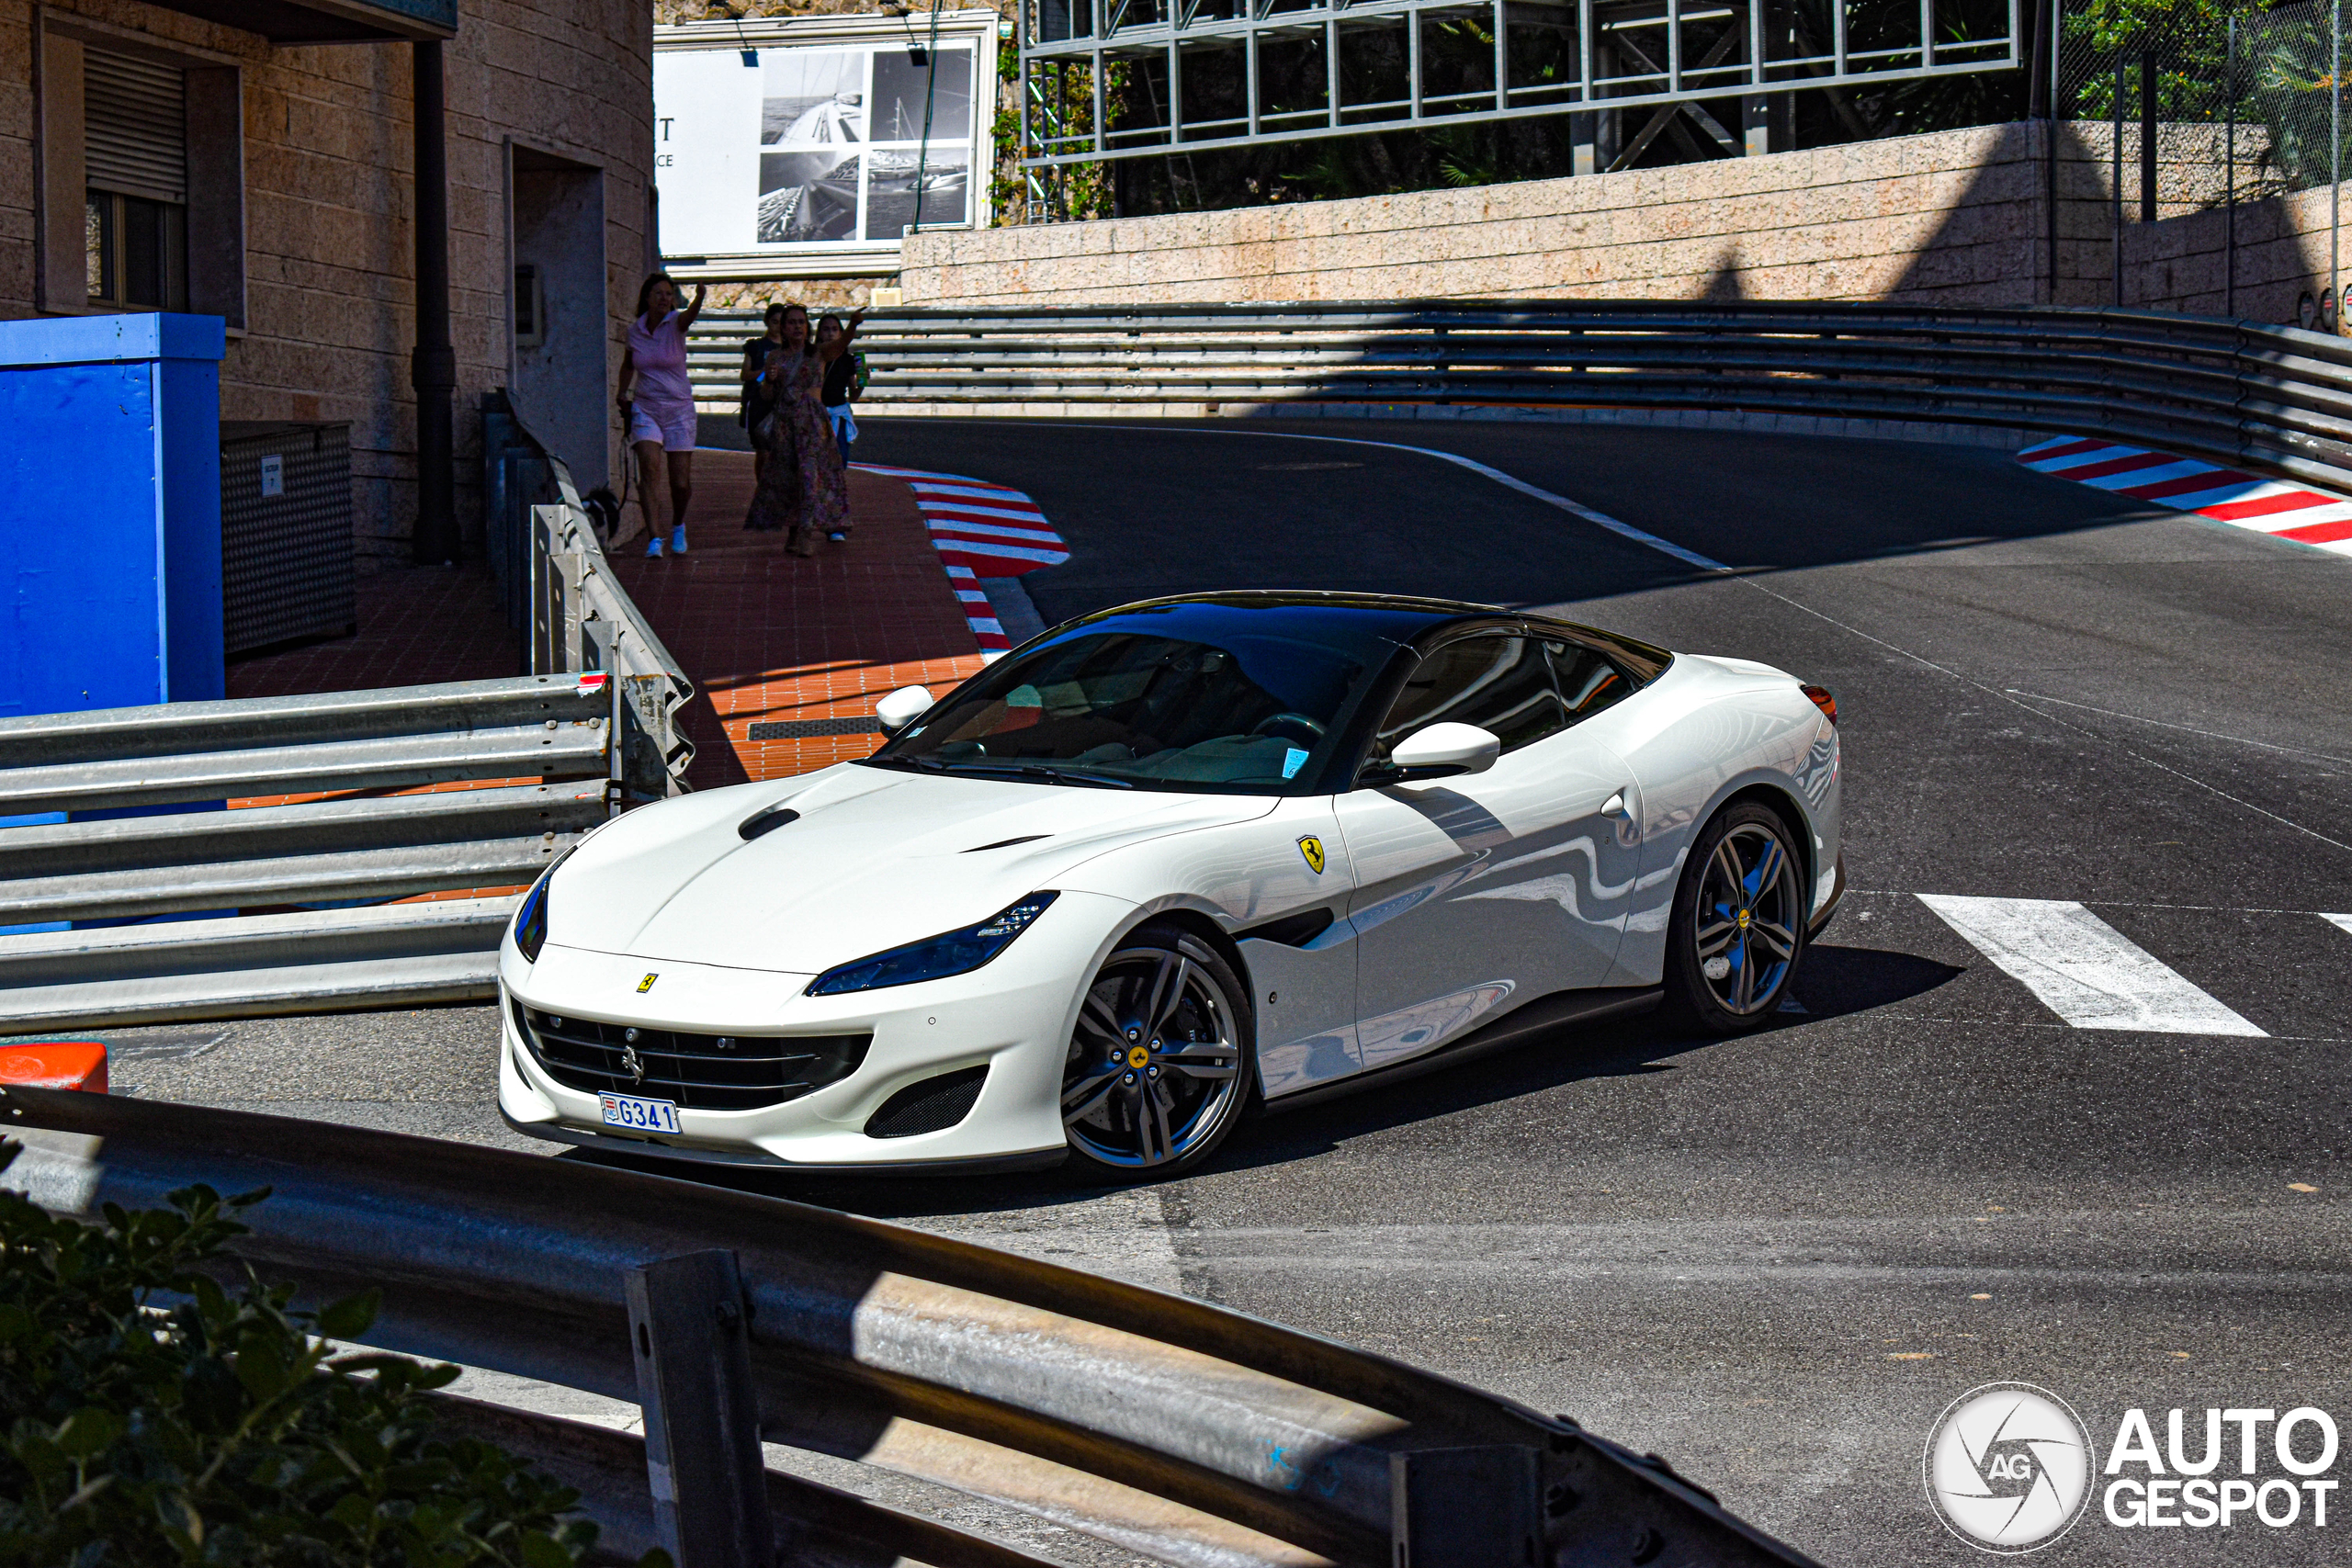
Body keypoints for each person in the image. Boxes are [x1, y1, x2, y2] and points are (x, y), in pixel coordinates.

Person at [742, 303, 863, 555]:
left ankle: (807, 533)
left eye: (801, 322)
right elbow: (766, 395)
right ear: (783, 328)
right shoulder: (775, 357)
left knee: (810, 476)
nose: (797, 327)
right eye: (791, 322)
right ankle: (794, 530)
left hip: (812, 421)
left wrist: (852, 325)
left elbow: (840, 346)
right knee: (789, 479)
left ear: (807, 327)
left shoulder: (817, 353)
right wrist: (770, 379)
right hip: (786, 422)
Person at [616, 272, 706, 558]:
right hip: (646, 407)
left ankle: (678, 524)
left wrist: (700, 298)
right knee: (650, 468)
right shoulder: (635, 331)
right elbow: (629, 364)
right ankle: (655, 536)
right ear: (647, 298)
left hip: (679, 408)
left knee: (680, 483)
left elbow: (689, 316)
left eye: (669, 294)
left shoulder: (676, 323)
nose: (665, 299)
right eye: (659, 294)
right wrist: (622, 392)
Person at [741, 302, 787, 484]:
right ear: (767, 322)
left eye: (782, 322)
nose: (778, 326)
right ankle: (763, 486)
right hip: (759, 402)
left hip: (783, 401)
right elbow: (745, 374)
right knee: (763, 450)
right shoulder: (756, 346)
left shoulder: (792, 348)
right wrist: (764, 373)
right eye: (774, 321)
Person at [818, 312, 860, 457]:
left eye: (835, 329)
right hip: (816, 416)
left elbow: (853, 396)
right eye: (826, 329)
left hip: (839, 414)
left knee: (839, 460)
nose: (830, 334)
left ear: (841, 333)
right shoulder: (813, 356)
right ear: (819, 333)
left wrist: (862, 384)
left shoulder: (848, 360)